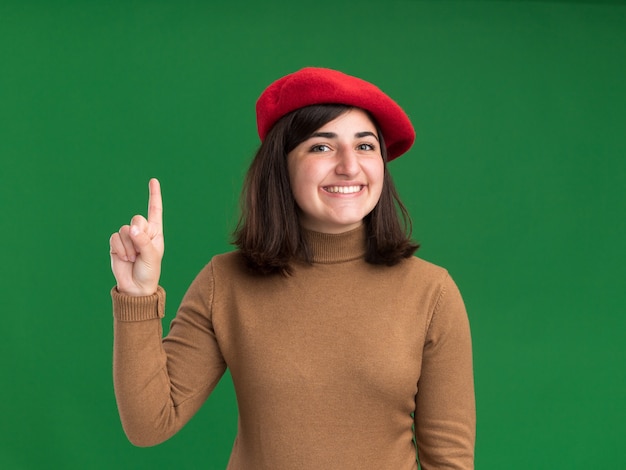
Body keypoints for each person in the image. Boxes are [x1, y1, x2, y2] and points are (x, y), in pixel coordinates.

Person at [109, 67, 475, 469]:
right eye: (321, 147)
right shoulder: (225, 282)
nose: (350, 166)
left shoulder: (431, 292)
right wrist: (137, 298)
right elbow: (149, 425)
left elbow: (450, 461)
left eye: (366, 146)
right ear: (280, 166)